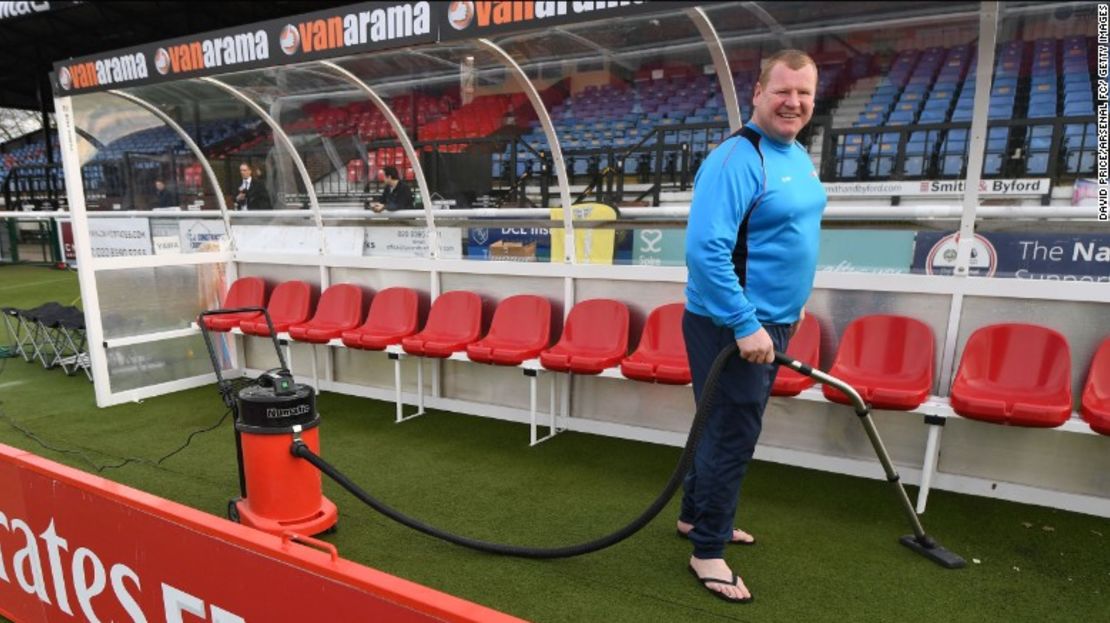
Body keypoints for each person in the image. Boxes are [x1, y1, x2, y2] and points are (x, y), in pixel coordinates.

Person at [680, 49, 827, 604]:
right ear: (758, 93)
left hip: (771, 320)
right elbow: (705, 252)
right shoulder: (737, 159)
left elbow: (785, 235)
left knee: (718, 427)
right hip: (734, 325)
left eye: (804, 93)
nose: (793, 102)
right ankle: (709, 551)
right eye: (783, 91)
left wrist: (792, 304)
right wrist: (746, 322)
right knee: (731, 434)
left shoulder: (793, 153)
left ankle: (697, 519)